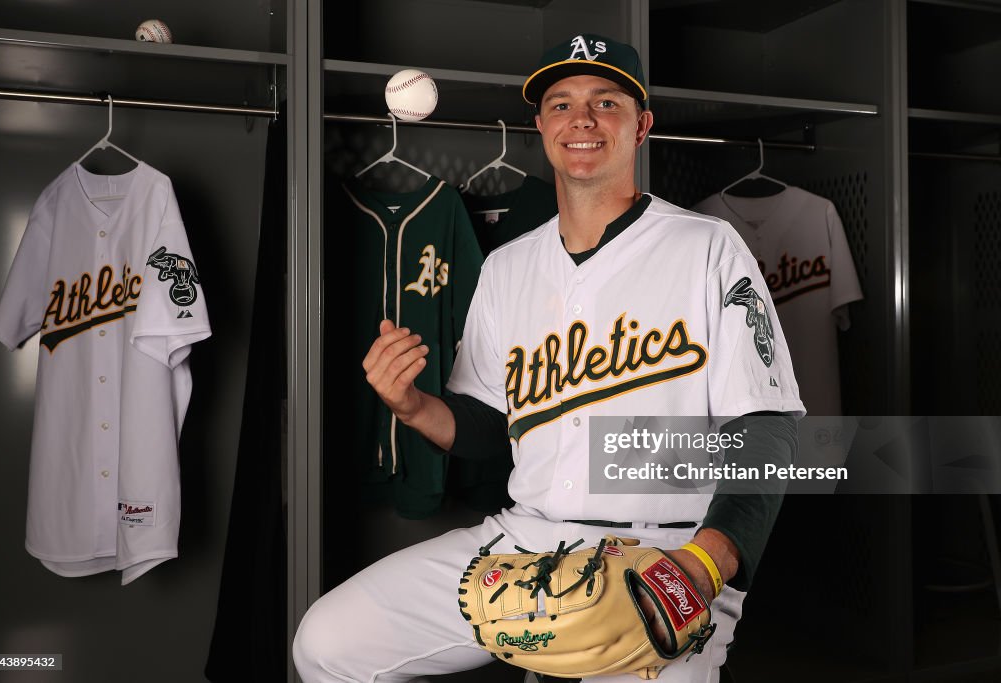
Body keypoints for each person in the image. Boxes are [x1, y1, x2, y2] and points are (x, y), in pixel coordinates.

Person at [294, 34, 804, 682]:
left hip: (664, 549)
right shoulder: (507, 266)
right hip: (525, 540)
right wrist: (413, 405)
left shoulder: (707, 246)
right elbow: (485, 422)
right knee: (327, 642)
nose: (582, 119)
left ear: (641, 125)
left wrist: (705, 564)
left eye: (606, 101)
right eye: (561, 103)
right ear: (541, 126)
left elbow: (768, 427)